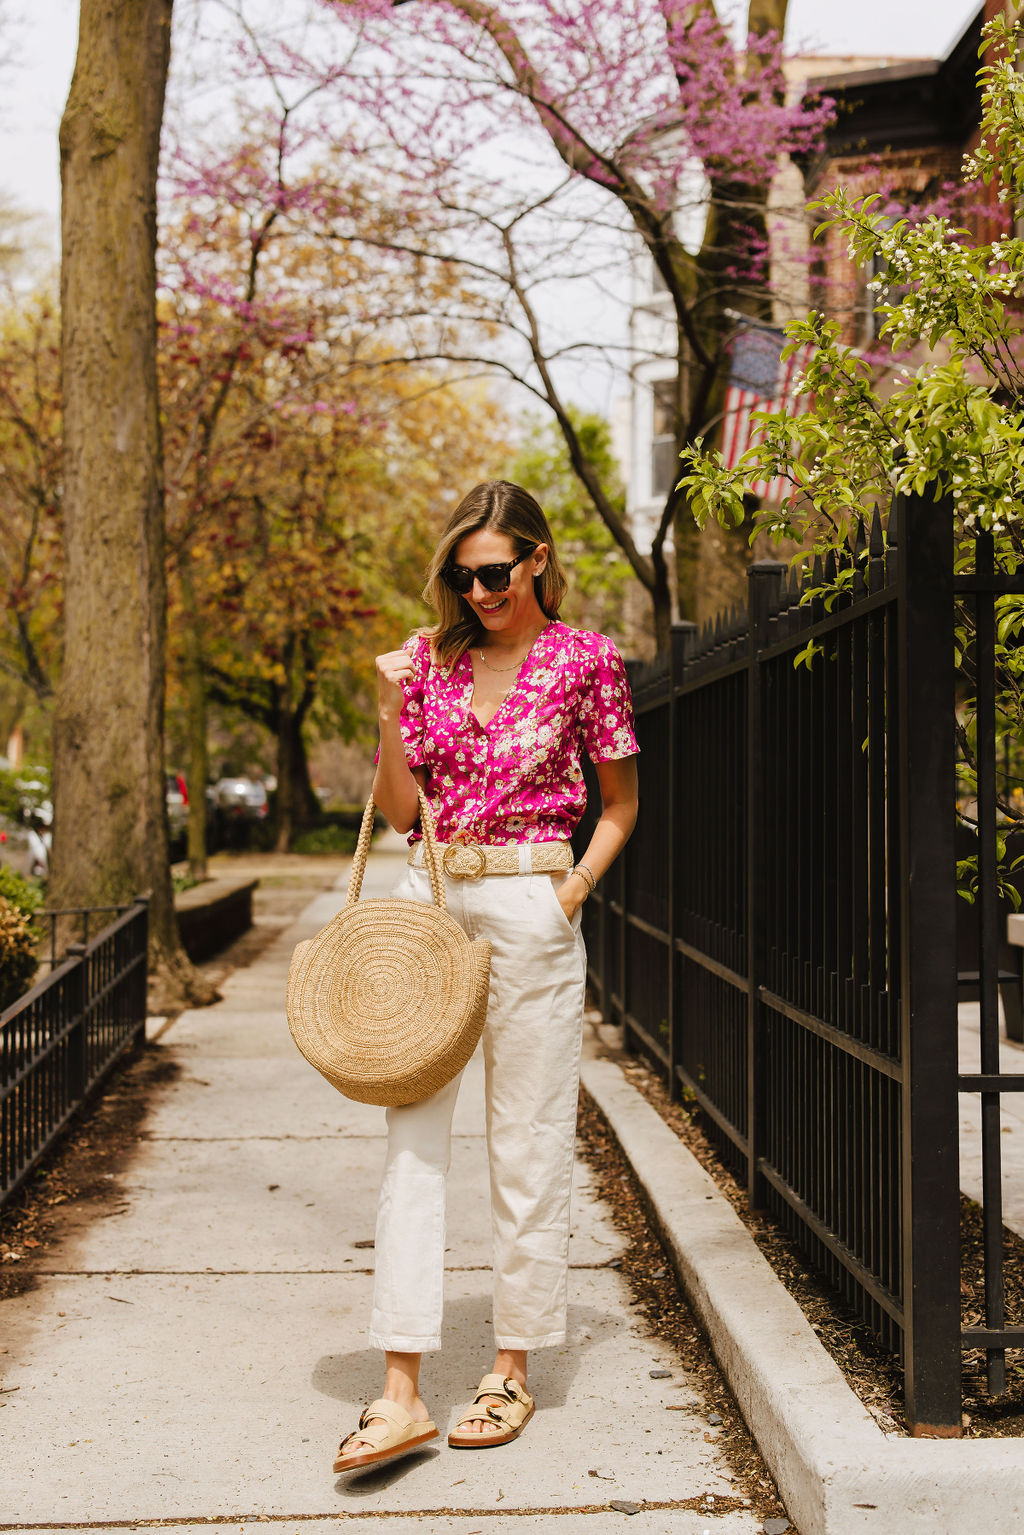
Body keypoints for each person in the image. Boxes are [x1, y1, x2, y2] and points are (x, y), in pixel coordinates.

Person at [333, 480, 639, 1474]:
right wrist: (386, 710)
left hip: (535, 904)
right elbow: (397, 812)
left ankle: (508, 1365)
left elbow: (621, 802)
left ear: (537, 560)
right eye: (463, 576)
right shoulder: (428, 661)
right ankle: (399, 1388)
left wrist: (574, 890)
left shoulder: (588, 660)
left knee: (528, 1141)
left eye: (495, 572)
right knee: (411, 1138)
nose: (478, 591)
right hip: (432, 902)